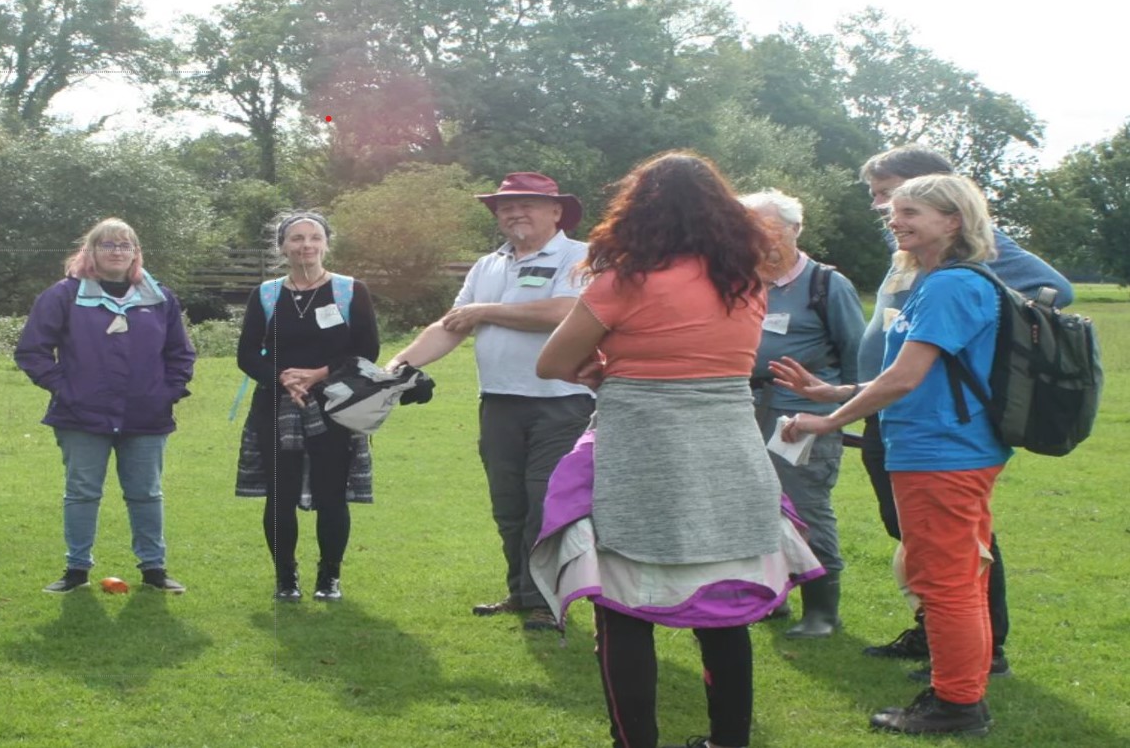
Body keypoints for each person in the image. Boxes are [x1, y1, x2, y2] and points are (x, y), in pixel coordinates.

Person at [534, 153, 822, 748]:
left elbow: (554, 361)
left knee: (621, 608)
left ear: (639, 213)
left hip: (641, 452)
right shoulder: (745, 284)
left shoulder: (624, 282)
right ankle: (729, 741)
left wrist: (603, 370)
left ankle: (634, 741)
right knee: (725, 612)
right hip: (727, 452)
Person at [777, 174, 1014, 736]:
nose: (895, 220)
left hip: (941, 453)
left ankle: (956, 704)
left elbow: (906, 379)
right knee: (961, 577)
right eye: (894, 211)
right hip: (943, 447)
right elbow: (912, 374)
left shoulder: (952, 285)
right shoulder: (934, 281)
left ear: (952, 220)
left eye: (911, 212)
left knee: (945, 581)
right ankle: (963, 690)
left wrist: (828, 421)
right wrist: (832, 391)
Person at [853, 146, 1072, 677]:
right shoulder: (915, 254)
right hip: (899, 413)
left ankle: (981, 649)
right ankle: (940, 633)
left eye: (892, 196)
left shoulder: (964, 265)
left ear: (943, 201)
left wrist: (977, 337)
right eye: (881, 198)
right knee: (914, 534)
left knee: (956, 546)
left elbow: (1055, 291)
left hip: (938, 419)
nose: (884, 209)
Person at [386, 172, 594, 631]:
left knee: (545, 501)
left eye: (527, 204)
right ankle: (521, 592)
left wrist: (485, 311)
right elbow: (450, 325)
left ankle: (545, 598)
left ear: (557, 211)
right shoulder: (488, 265)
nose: (514, 213)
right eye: (505, 207)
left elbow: (565, 312)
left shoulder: (580, 257)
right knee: (508, 505)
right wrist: (397, 365)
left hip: (562, 402)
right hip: (499, 402)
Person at [15, 218, 196, 594]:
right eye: (107, 245)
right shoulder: (63, 295)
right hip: (81, 416)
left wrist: (169, 392)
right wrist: (65, 389)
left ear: (135, 253)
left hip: (146, 416)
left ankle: (154, 569)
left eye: (124, 245)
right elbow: (32, 351)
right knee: (82, 492)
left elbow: (180, 352)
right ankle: (76, 570)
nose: (116, 251)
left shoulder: (159, 297)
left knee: (146, 492)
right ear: (91, 252)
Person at [235, 212, 380, 602]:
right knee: (279, 495)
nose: (306, 245)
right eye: (296, 238)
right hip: (274, 405)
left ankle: (329, 576)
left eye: (314, 237)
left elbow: (367, 352)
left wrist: (318, 375)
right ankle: (286, 578)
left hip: (334, 405)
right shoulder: (265, 295)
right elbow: (247, 354)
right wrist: (282, 378)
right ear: (282, 246)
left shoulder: (351, 291)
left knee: (331, 492)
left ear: (326, 243)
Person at [741, 189, 865, 638]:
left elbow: (859, 356)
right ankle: (771, 598)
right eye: (751, 229)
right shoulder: (738, 280)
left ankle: (821, 610)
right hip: (742, 410)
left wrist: (843, 412)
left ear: (796, 230)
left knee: (804, 506)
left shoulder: (826, 284)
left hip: (801, 415)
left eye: (772, 228)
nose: (761, 239)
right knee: (753, 505)